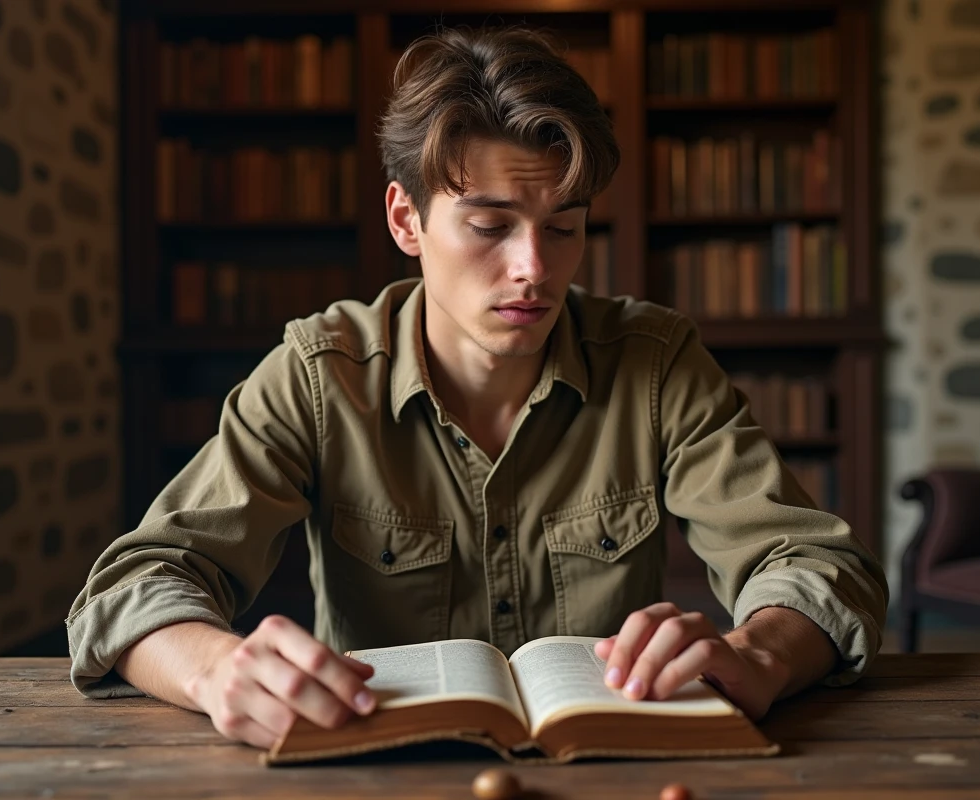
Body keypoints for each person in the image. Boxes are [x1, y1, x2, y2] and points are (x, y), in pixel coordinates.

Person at [68, 26, 887, 749]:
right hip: (376, 769)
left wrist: (756, 654)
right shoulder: (320, 375)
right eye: (491, 226)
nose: (534, 268)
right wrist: (218, 671)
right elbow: (135, 584)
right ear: (406, 221)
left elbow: (815, 561)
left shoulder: (656, 362)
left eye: (564, 225)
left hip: (608, 767)